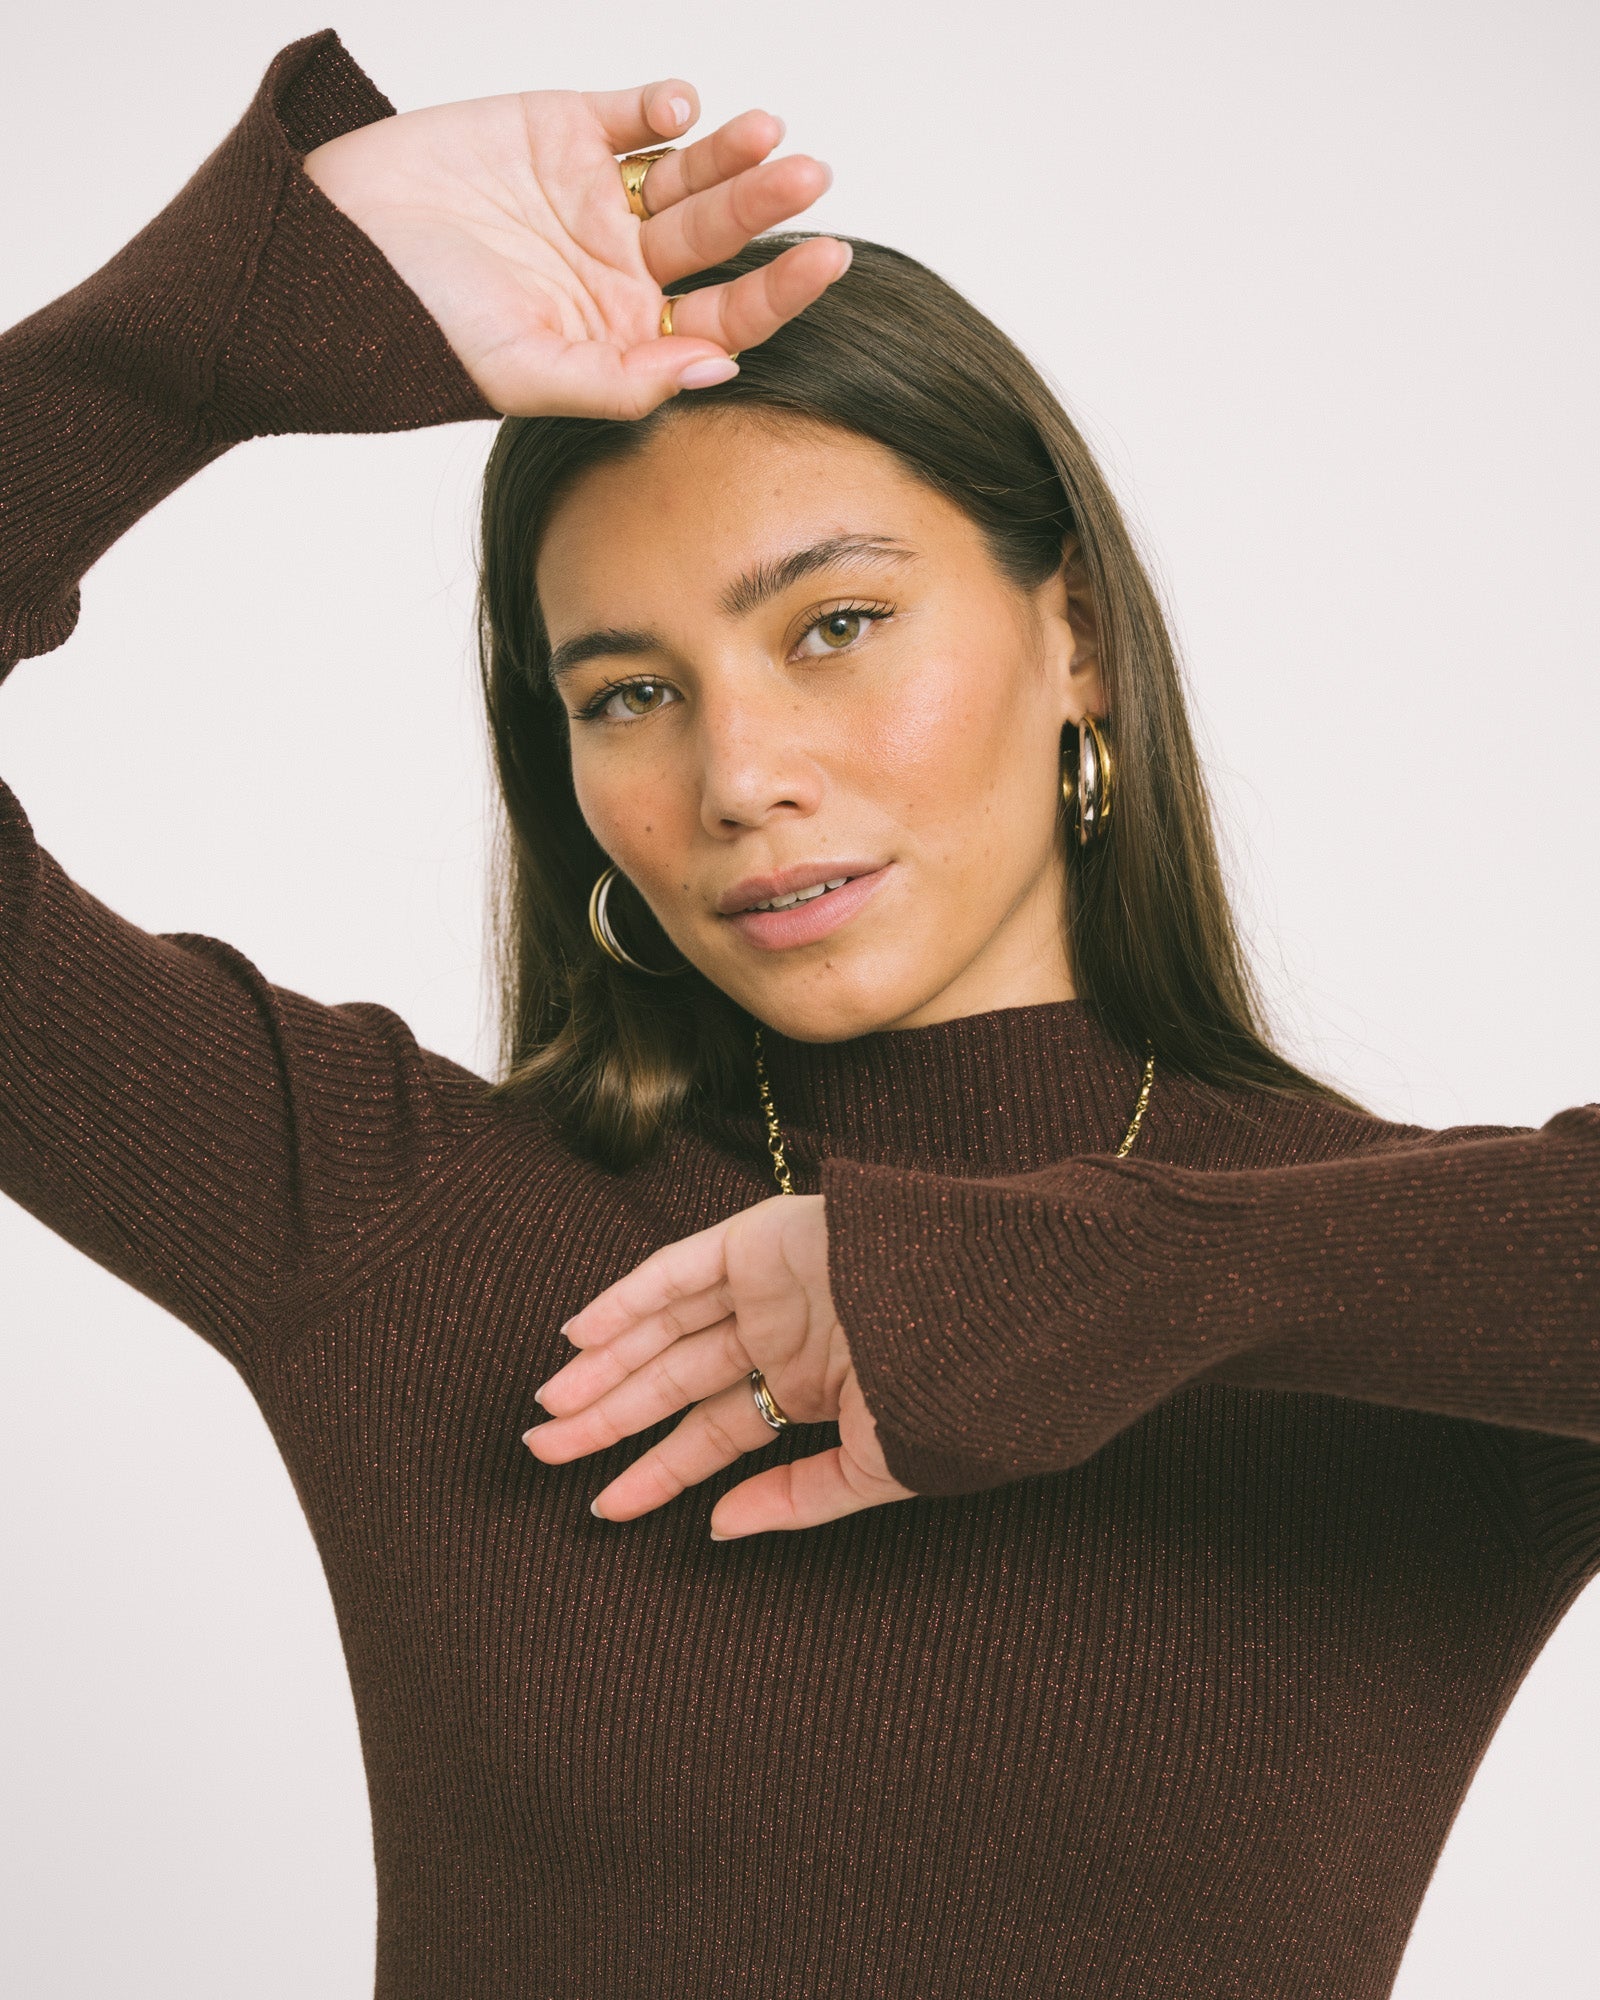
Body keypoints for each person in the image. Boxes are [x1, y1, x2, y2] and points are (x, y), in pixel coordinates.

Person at [2, 26, 1594, 2000]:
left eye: (834, 625)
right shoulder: (410, 1218)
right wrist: (190, 349)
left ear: (1078, 637)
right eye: (627, 694)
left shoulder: (1397, 1307)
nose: (740, 773)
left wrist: (1103, 1278)